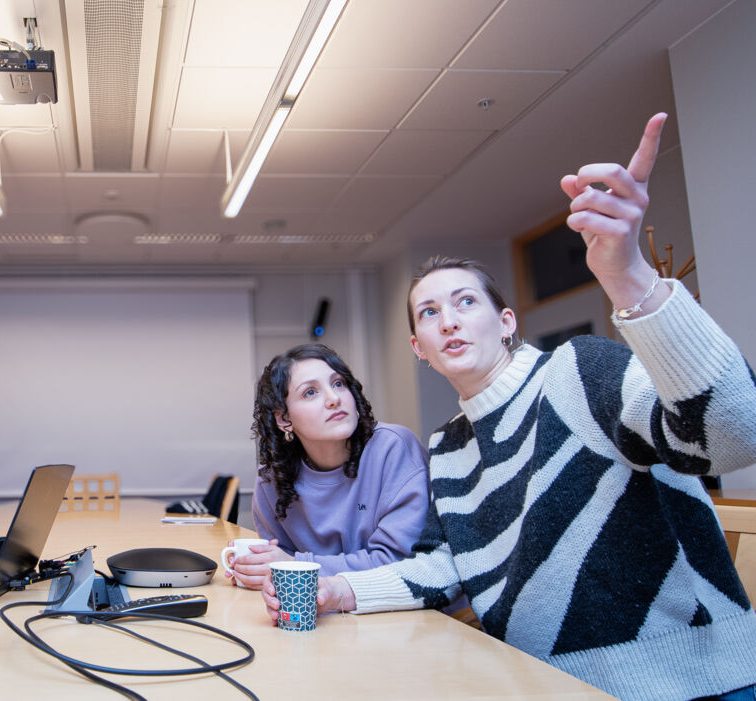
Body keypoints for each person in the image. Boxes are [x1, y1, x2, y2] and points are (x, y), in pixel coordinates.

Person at [262, 113, 756, 701]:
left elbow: (734, 436)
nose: (447, 319)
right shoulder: (449, 444)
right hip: (532, 681)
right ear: (419, 349)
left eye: (465, 301)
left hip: (677, 683)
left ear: (505, 323)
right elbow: (447, 564)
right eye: (428, 313)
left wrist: (629, 278)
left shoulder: (579, 370)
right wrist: (342, 593)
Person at [228, 344, 428, 590]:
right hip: (324, 613)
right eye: (311, 392)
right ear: (284, 419)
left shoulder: (393, 448)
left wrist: (295, 565)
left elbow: (398, 562)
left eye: (338, 383)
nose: (334, 399)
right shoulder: (272, 479)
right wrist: (255, 567)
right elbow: (279, 565)